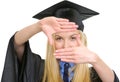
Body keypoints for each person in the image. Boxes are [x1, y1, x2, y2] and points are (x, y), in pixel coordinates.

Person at [1, 0, 119, 82]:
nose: (66, 46)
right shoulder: (39, 69)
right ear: (51, 41)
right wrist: (38, 26)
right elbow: (16, 44)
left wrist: (95, 59)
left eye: (73, 38)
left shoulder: (93, 75)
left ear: (82, 40)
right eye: (59, 38)